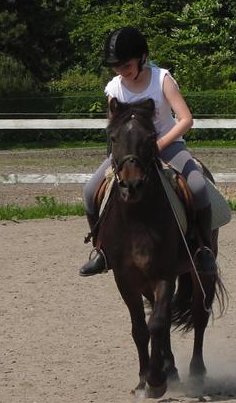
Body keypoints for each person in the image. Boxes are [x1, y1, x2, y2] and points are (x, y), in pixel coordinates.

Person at [80, 26, 217, 277]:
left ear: (142, 57)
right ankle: (102, 250)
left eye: (126, 65)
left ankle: (204, 249)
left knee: (198, 186)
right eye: (116, 67)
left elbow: (186, 119)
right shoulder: (114, 88)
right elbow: (114, 127)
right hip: (129, 154)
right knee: (89, 192)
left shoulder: (162, 79)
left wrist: (159, 145)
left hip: (167, 147)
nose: (121, 71)